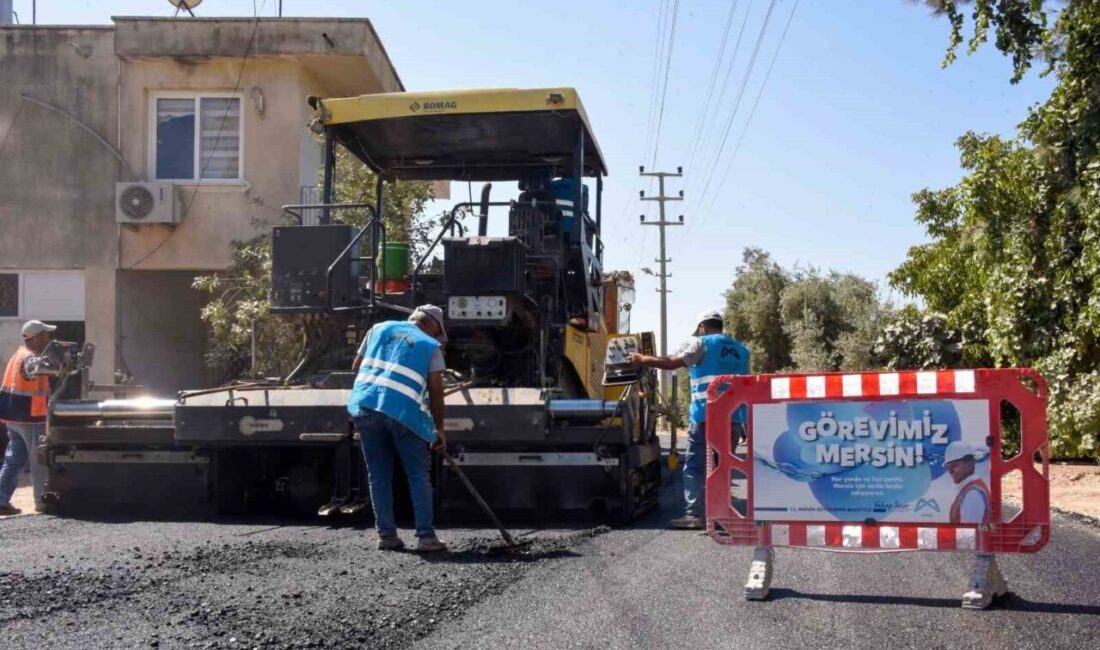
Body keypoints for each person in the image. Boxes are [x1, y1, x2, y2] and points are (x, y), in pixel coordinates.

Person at [628, 309, 750, 529]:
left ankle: (694, 515)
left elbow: (673, 362)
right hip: (733, 419)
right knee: (722, 467)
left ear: (702, 326)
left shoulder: (701, 343)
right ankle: (721, 515)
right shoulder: (742, 351)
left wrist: (642, 359)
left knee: (694, 467)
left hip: (706, 417)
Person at [348, 305, 449, 552]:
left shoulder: (377, 329)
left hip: (366, 406)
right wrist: (439, 430)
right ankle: (426, 537)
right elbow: (436, 390)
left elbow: (356, 367)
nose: (437, 337)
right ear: (432, 325)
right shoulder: (429, 345)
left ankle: (387, 536)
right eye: (437, 332)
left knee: (378, 475)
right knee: (416, 474)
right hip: (404, 413)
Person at [0, 320, 56, 516]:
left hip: (12, 419)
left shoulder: (18, 355)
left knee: (13, 461)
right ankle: (42, 502)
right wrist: (56, 363)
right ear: (37, 337)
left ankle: (1, 500)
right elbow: (33, 369)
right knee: (38, 462)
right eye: (46, 335)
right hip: (30, 419)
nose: (49, 338)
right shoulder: (30, 358)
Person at [944, 441, 990, 525]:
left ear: (969, 465)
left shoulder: (972, 494)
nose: (950, 471)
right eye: (948, 467)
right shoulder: (968, 489)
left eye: (954, 466)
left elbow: (970, 531)